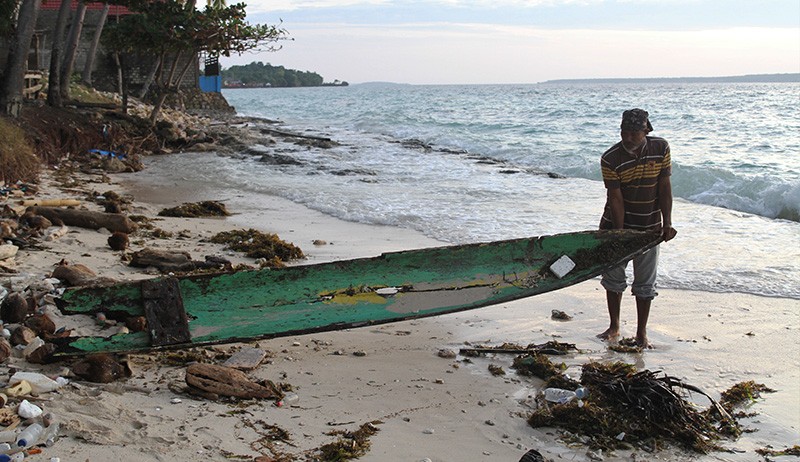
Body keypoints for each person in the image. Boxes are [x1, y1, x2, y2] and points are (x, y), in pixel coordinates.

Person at [597, 108, 677, 348]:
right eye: (624, 132)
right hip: (615, 226)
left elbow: (664, 187)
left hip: (649, 228)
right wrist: (620, 234)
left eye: (634, 133)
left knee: (645, 284)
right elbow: (616, 198)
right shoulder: (610, 158)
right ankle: (614, 326)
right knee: (613, 279)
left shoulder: (661, 148)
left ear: (646, 131)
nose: (628, 137)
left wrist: (668, 223)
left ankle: (642, 333)